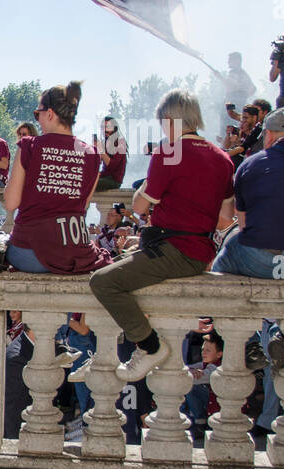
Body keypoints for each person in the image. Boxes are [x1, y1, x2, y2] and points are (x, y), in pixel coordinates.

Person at [87, 89, 235, 381]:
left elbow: (141, 206)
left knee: (103, 281)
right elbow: (225, 220)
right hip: (199, 251)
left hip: (173, 249)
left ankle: (149, 345)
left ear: (169, 120)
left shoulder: (169, 152)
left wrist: (153, 189)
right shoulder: (223, 159)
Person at [3, 81, 111, 275]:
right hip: (75, 252)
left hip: (29, 252)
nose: (38, 120)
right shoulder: (92, 153)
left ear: (50, 113)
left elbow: (11, 203)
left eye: (38, 114)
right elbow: (83, 205)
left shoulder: (29, 146)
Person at [211, 107, 284, 279]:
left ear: (268, 135)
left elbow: (243, 224)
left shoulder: (250, 164)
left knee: (229, 249)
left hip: (261, 261)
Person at [221, 52, 257, 130]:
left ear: (237, 60)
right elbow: (253, 88)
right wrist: (244, 96)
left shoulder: (234, 72)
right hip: (239, 104)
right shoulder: (244, 73)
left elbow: (231, 86)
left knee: (229, 127)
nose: (228, 62)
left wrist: (220, 78)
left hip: (233, 105)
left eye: (230, 60)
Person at [96, 116, 127, 190]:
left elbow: (112, 166)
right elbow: (99, 163)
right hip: (105, 176)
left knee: (89, 183)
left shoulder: (121, 143)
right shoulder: (105, 143)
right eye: (103, 127)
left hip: (114, 180)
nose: (105, 130)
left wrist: (101, 150)